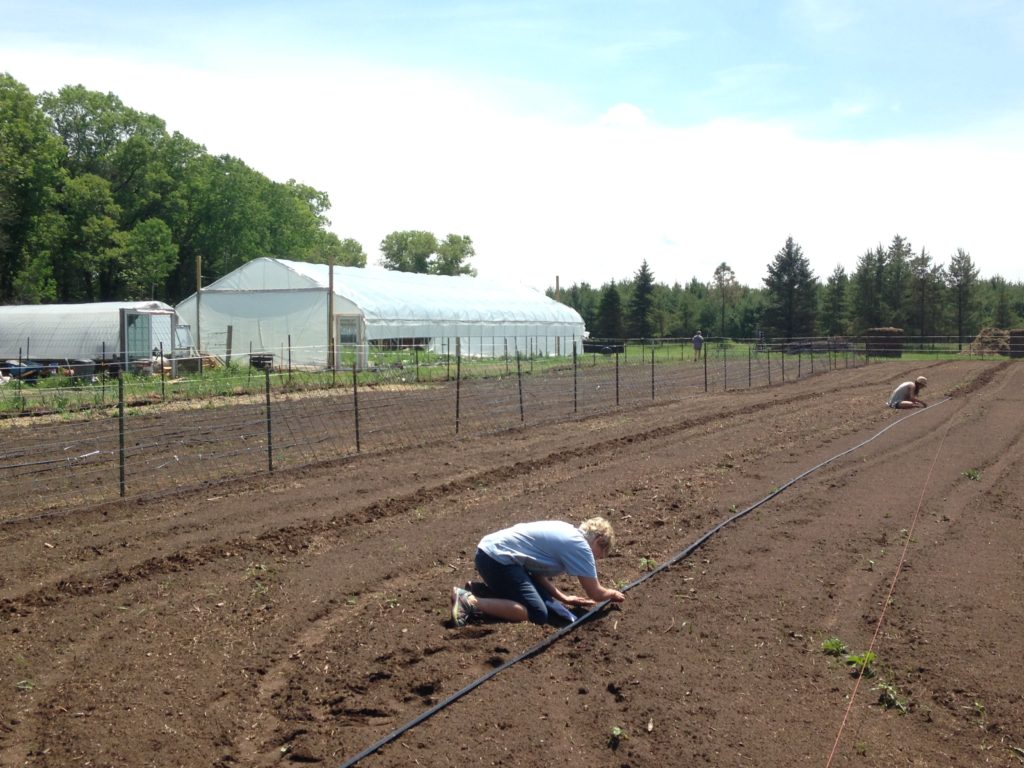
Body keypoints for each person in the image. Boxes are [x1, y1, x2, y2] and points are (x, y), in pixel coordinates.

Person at [450, 517, 625, 627]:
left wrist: (563, 598)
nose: (596, 560)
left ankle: (481, 591)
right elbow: (595, 593)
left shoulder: (567, 531)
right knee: (536, 613)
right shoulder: (580, 546)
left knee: (540, 598)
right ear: (599, 540)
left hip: (489, 554)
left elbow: (534, 572)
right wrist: (614, 593)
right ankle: (470, 601)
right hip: (498, 560)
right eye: (600, 555)